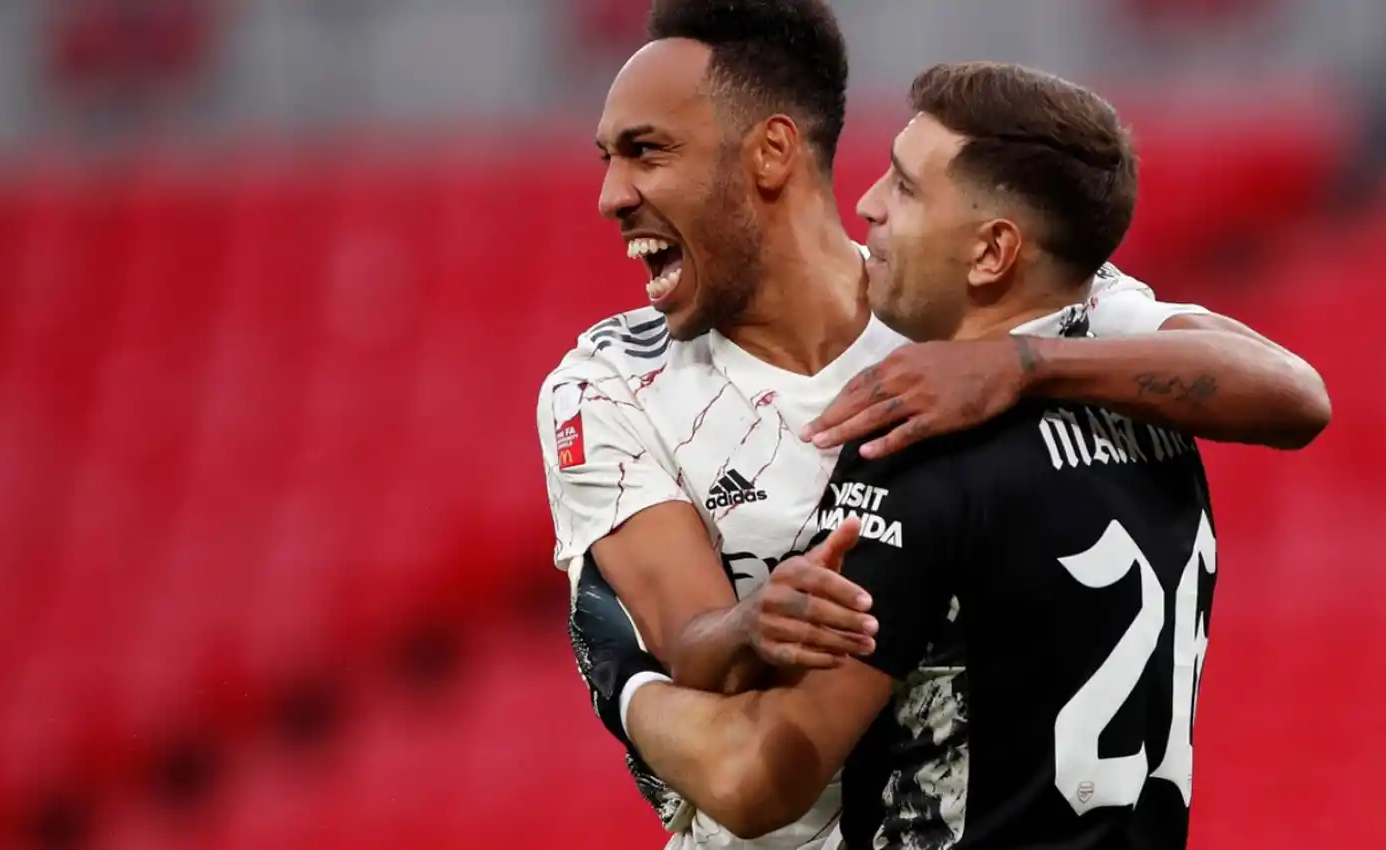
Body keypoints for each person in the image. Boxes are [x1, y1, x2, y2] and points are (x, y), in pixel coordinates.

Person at [535, 2, 1330, 849]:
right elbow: (690, 641)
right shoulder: (607, 386)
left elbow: (1293, 392)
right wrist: (748, 621)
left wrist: (1018, 366)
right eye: (607, 157)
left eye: (646, 151)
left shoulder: (964, 309)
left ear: (769, 152)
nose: (611, 196)